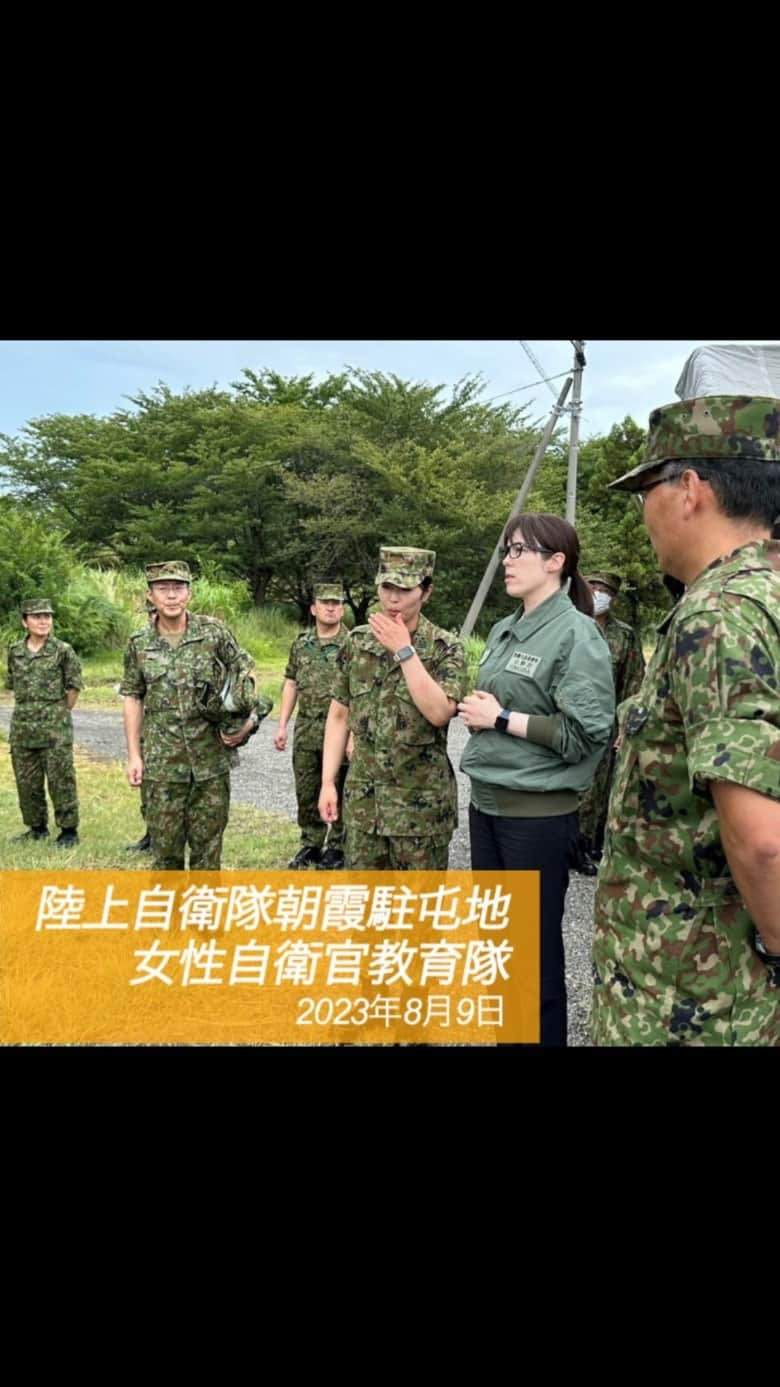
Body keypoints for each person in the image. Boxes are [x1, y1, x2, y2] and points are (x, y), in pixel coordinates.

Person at [591, 395, 780, 1047]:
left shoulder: (718, 618)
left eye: (646, 487)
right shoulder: (765, 597)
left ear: (689, 488)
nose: (643, 510)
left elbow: (762, 841)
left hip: (691, 998)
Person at [458, 513, 614, 1046]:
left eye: (519, 550)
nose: (508, 560)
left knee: (534, 960)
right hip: (488, 809)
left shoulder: (577, 635)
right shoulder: (506, 628)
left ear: (556, 562)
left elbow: (585, 734)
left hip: (536, 819)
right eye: (507, 549)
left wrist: (500, 718)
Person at [319, 547, 469, 870]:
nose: (393, 599)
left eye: (405, 589)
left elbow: (440, 712)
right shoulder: (357, 643)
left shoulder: (445, 648)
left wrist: (405, 650)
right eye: (387, 587)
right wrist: (328, 782)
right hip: (364, 810)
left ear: (426, 592)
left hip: (420, 815)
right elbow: (339, 714)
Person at [119, 561, 272, 870]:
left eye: (178, 588)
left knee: (208, 854)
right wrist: (134, 755)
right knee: (166, 855)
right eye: (163, 589)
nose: (171, 596)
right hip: (162, 767)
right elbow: (133, 697)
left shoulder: (213, 633)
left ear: (189, 593)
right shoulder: (139, 644)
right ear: (151, 596)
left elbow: (246, 676)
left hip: (210, 766)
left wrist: (246, 725)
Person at [275, 583, 350, 870]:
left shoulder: (352, 643)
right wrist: (282, 724)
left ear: (342, 608)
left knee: (340, 787)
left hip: (340, 730)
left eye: (336, 602)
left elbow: (360, 690)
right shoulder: (301, 643)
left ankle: (338, 846)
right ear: (314, 608)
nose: (331, 607)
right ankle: (311, 843)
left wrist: (353, 734)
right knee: (306, 788)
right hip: (307, 728)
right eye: (325, 602)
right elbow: (291, 682)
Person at [574, 572, 645, 874]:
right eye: (593, 588)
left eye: (605, 590)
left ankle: (589, 844)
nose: (598, 594)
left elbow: (633, 681)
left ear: (614, 598)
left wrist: (624, 726)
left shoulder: (624, 635)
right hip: (570, 719)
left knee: (600, 787)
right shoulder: (570, 624)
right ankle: (566, 844)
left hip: (604, 724)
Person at [7, 597, 83, 847]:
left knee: (61, 779)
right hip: (23, 728)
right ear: (24, 621)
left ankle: (68, 830)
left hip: (55, 729)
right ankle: (36, 827)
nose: (43, 621)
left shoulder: (62, 650)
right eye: (37, 616)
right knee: (27, 782)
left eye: (47, 616)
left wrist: (60, 711)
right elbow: (12, 684)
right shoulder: (15, 652)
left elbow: (73, 687)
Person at [126, 596, 157, 853]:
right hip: (152, 728)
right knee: (149, 787)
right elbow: (134, 693)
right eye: (151, 613)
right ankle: (152, 833)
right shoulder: (141, 644)